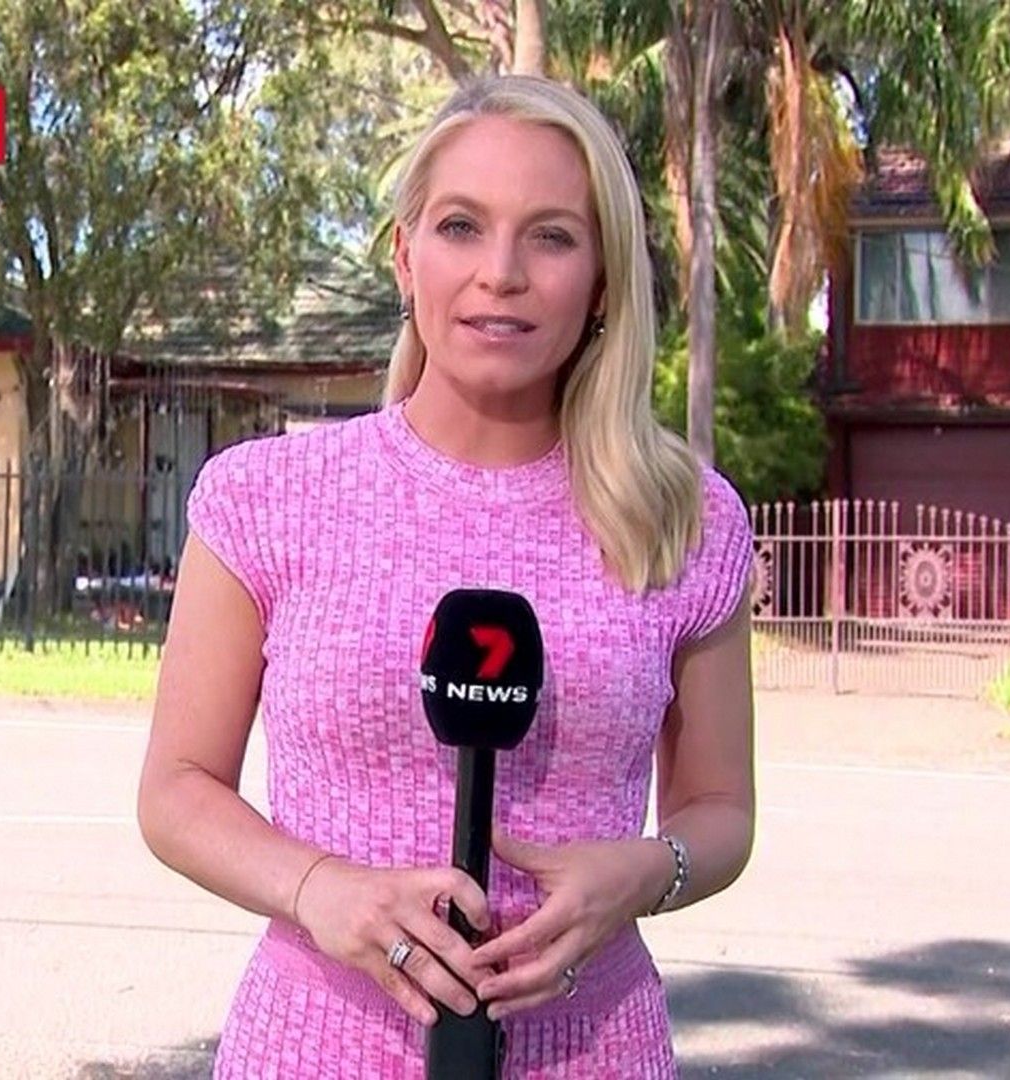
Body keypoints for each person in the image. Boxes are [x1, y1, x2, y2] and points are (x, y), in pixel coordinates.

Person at [137, 75, 757, 1079]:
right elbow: (176, 791)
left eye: (551, 237)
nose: (500, 274)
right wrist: (322, 889)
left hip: (597, 1052)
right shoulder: (267, 498)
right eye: (462, 226)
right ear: (405, 255)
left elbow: (722, 810)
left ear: (603, 281)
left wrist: (645, 872)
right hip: (313, 1052)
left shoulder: (686, 518)